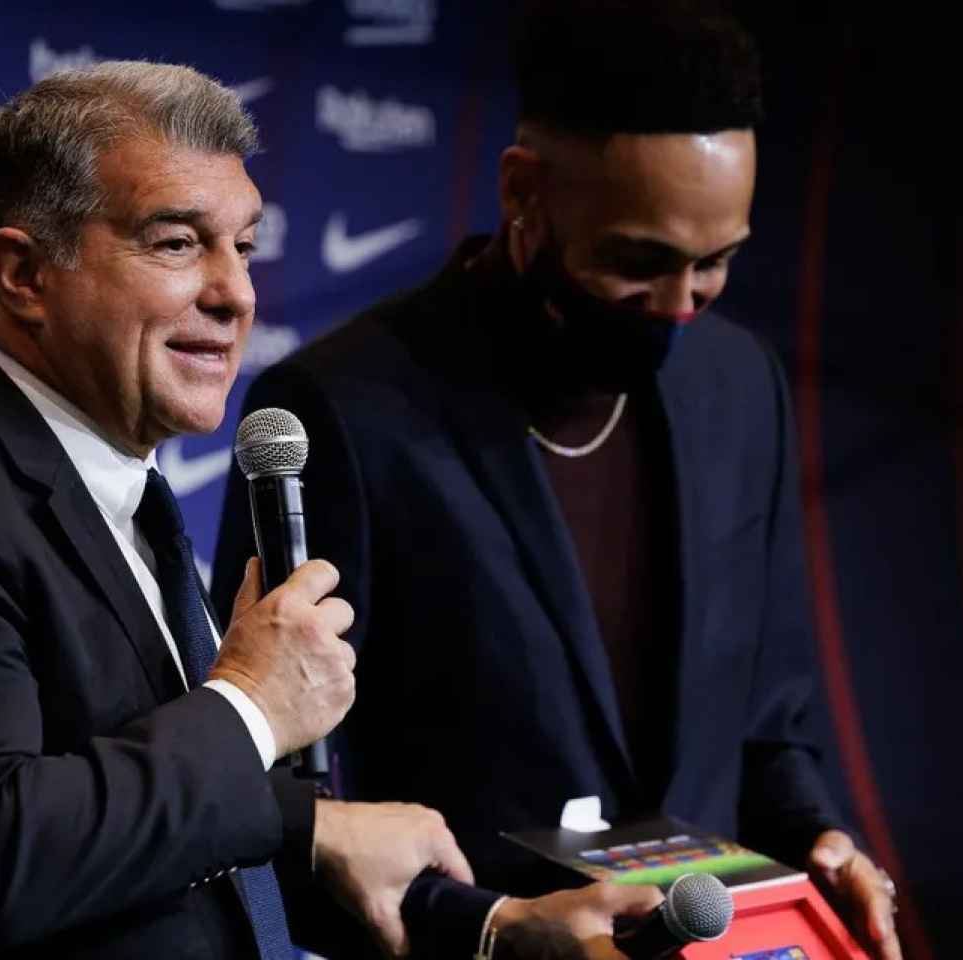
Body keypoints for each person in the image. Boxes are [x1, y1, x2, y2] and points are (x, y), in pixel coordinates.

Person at [0, 61, 637, 960]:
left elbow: (161, 845)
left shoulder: (117, 491)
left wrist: (483, 928)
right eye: (174, 243)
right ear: (23, 274)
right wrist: (249, 707)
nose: (234, 294)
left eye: (242, 246)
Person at [212, 4, 903, 958]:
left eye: (716, 264)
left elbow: (768, 726)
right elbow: (286, 807)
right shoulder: (346, 409)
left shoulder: (741, 388)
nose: (679, 305)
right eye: (640, 261)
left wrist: (820, 842)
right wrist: (498, 934)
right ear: (522, 190)